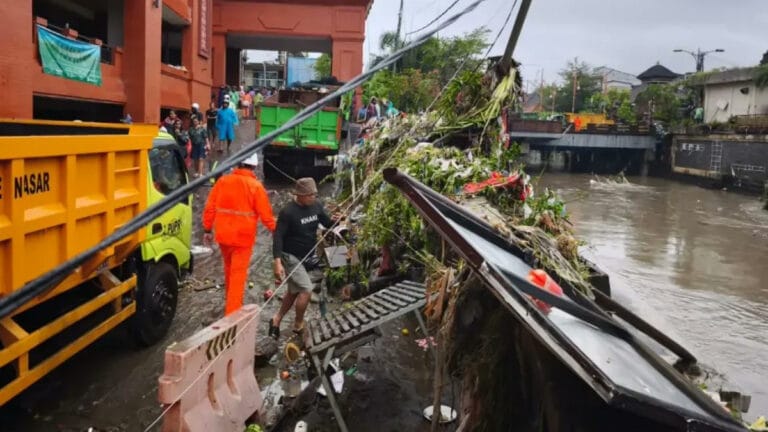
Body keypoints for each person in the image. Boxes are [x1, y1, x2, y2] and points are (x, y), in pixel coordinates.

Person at [203, 153, 276, 316]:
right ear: (254, 166)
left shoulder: (222, 181)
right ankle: (231, 319)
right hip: (242, 239)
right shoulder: (256, 186)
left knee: (229, 270)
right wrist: (276, 230)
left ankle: (229, 304)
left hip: (223, 236)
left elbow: (210, 207)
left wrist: (207, 230)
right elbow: (266, 216)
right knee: (237, 277)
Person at [269, 178, 337, 338]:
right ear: (300, 195)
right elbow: (278, 237)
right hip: (290, 256)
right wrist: (277, 261)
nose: (313, 197)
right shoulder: (288, 212)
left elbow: (327, 223)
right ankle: (298, 324)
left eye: (315, 194)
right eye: (310, 195)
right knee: (306, 290)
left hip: (306, 255)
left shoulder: (317, 206)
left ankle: (276, 319)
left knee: (293, 292)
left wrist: (337, 220)